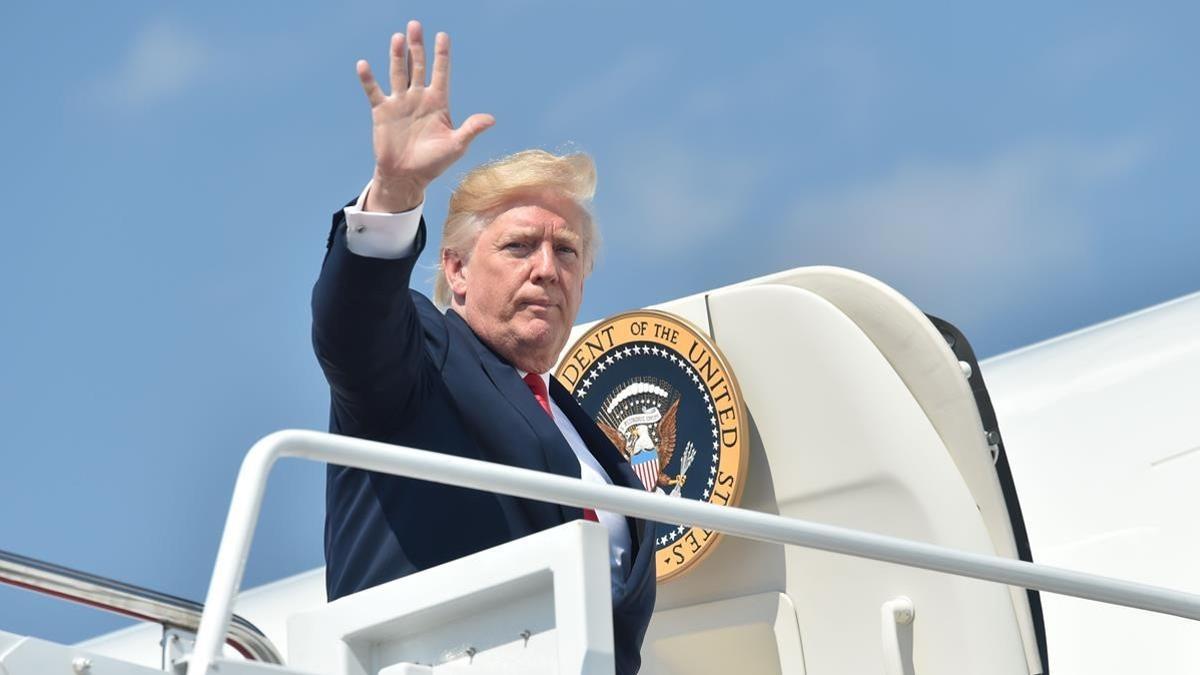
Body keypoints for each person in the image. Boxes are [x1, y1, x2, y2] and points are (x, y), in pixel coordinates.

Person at [311, 20, 656, 674]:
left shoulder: (588, 434)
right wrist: (396, 193)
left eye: (567, 251)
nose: (547, 268)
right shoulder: (422, 358)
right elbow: (351, 322)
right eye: (520, 245)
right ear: (458, 271)